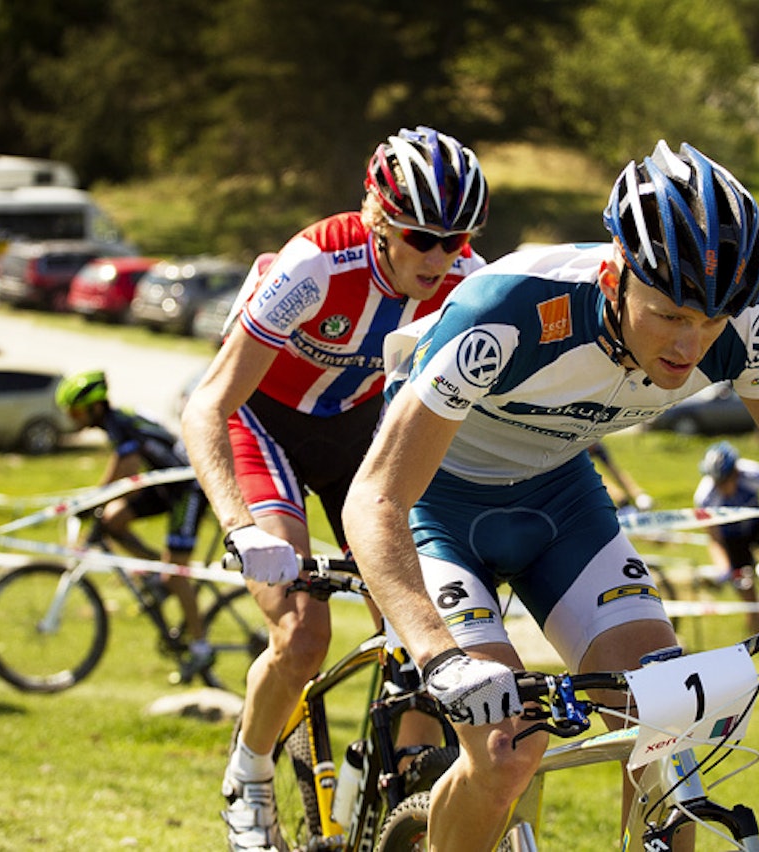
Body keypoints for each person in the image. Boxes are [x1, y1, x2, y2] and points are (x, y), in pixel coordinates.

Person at [342, 140, 759, 852]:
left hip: (559, 501)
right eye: (668, 314)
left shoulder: (742, 331)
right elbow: (377, 496)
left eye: (712, 320)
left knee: (666, 717)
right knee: (507, 747)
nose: (691, 344)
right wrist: (440, 655)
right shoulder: (511, 309)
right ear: (614, 276)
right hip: (436, 502)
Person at [181, 125, 489, 850]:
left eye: (457, 240)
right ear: (379, 217)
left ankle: (408, 789)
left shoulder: (471, 280)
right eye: (421, 237)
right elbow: (209, 403)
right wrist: (240, 528)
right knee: (303, 630)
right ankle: (249, 773)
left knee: (419, 625)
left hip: (357, 432)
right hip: (262, 424)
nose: (439, 257)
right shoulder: (318, 264)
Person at [55, 369, 213, 666]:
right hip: (163, 485)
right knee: (112, 520)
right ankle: (154, 573)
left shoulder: (118, 423)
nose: (73, 418)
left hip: (185, 489)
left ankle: (201, 647)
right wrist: (102, 501)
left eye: (76, 411)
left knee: (175, 575)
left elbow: (125, 466)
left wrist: (94, 498)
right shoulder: (117, 421)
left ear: (96, 406)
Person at [694, 440, 759, 631]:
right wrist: (724, 570)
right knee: (750, 602)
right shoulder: (706, 497)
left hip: (758, 529)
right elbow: (715, 539)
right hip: (732, 541)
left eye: (725, 480)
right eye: (717, 482)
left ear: (735, 472)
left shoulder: (752, 473)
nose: (722, 487)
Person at [587, 442, 653, 515]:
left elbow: (615, 471)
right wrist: (620, 497)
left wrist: (637, 493)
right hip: (579, 450)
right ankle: (622, 502)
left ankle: (637, 496)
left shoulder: (596, 446)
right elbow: (594, 476)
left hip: (590, 444)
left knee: (613, 470)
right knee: (592, 475)